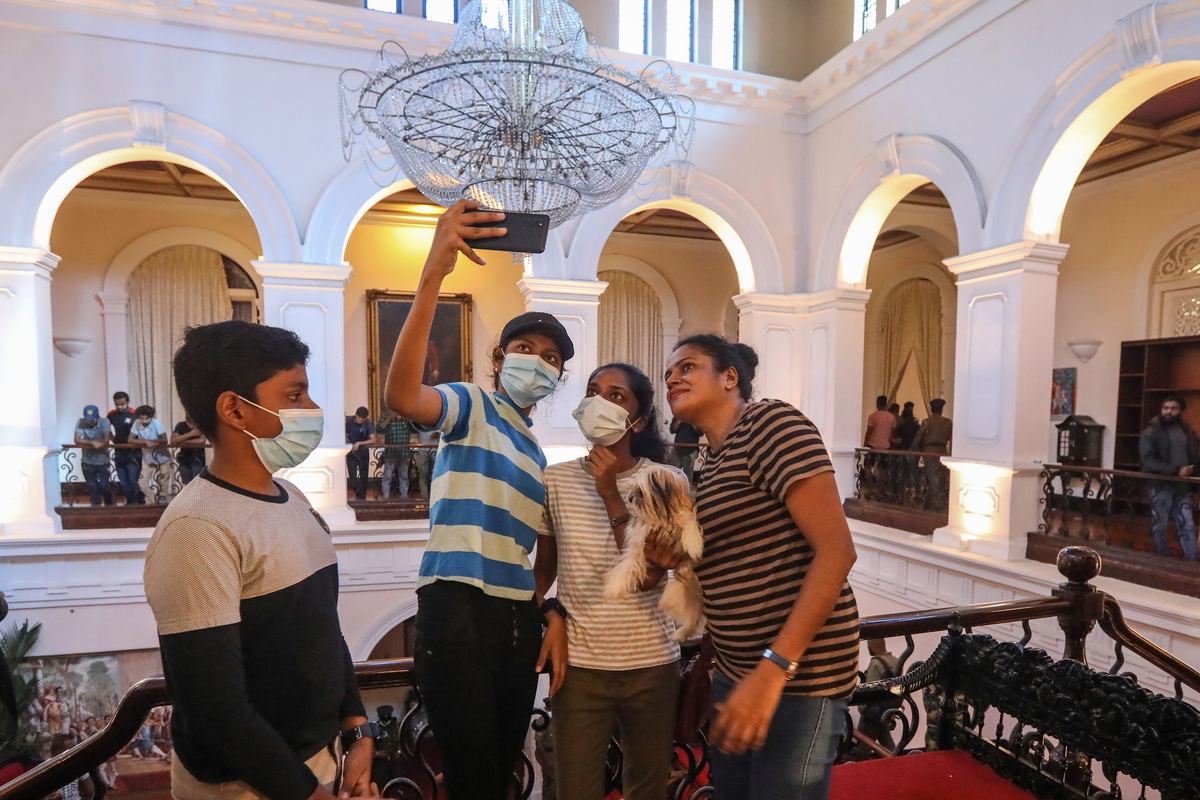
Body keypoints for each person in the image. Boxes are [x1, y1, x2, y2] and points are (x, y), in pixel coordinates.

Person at [382, 200, 570, 800]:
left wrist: (541, 604)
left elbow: (538, 550)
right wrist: (433, 274)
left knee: (499, 770)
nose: (537, 363)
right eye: (527, 349)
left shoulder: (535, 452)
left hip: (516, 617)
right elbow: (403, 397)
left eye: (551, 359)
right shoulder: (472, 403)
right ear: (499, 357)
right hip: (458, 602)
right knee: (469, 777)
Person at [143, 320, 377, 800]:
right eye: (294, 395)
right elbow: (216, 711)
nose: (312, 409)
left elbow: (323, 629)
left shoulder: (292, 497)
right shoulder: (198, 528)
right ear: (234, 409)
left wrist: (356, 730)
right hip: (245, 784)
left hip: (317, 758)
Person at [664, 334, 859, 800]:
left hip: (798, 676)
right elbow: (739, 559)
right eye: (669, 373)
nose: (673, 378)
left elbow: (837, 551)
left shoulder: (771, 424)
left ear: (730, 377)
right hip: (737, 670)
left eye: (687, 367)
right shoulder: (710, 460)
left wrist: (774, 670)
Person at [536, 363, 685, 800]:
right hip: (579, 666)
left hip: (652, 662)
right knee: (575, 789)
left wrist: (609, 493)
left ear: (637, 421)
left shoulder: (665, 480)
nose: (599, 402)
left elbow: (647, 577)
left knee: (647, 789)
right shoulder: (555, 480)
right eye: (593, 391)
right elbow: (543, 573)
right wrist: (549, 614)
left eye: (616, 396)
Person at [1139, 396, 1200, 560]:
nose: (1168, 411)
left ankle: (1192, 558)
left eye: (1173, 408)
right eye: (1165, 408)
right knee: (1160, 522)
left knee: (1187, 523)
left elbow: (1193, 457)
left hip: (1182, 486)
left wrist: (1191, 473)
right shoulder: (1151, 432)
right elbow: (1148, 461)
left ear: (1180, 411)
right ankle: (1161, 556)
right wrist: (1176, 471)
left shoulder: (1187, 431)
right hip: (1161, 485)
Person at [856, 639, 900, 753]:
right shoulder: (895, 661)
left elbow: (869, 690)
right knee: (887, 744)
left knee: (862, 749)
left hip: (871, 714)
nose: (868, 647)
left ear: (874, 647)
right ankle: (898, 760)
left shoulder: (876, 663)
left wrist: (861, 708)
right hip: (886, 710)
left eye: (868, 645)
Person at [107, 392, 144, 505]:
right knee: (123, 480)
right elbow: (106, 428)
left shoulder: (135, 414)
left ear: (128, 402)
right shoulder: (111, 415)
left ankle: (138, 501)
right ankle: (129, 502)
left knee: (133, 479)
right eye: (117, 404)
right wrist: (113, 440)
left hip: (134, 451)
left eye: (122, 404)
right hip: (119, 451)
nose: (120, 407)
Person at [74, 405, 114, 506]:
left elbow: (106, 439)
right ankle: (95, 507)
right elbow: (77, 440)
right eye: (88, 419)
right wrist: (92, 442)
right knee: (92, 486)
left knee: (105, 486)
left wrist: (86, 441)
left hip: (102, 459)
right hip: (87, 460)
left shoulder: (104, 421)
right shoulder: (80, 422)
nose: (90, 422)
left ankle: (110, 505)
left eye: (93, 419)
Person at [131, 405, 171, 504]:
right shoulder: (136, 423)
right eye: (141, 418)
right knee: (142, 483)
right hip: (147, 458)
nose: (144, 421)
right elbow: (130, 439)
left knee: (163, 483)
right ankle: (153, 501)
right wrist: (145, 442)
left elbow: (164, 440)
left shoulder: (156, 423)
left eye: (147, 418)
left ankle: (162, 503)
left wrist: (149, 441)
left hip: (163, 457)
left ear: (151, 417)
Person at [374, 410, 413, 500]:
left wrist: (406, 417)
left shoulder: (407, 419)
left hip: (404, 453)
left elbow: (416, 428)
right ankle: (385, 497)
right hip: (390, 453)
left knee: (404, 476)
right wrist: (389, 418)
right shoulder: (386, 417)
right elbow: (379, 429)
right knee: (387, 476)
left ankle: (404, 497)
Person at [345, 407, 375, 501]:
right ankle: (359, 493)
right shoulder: (348, 422)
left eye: (363, 417)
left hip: (363, 452)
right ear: (356, 415)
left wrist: (359, 443)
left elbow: (373, 439)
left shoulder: (367, 424)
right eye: (360, 417)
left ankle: (362, 497)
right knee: (352, 477)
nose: (361, 419)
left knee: (364, 476)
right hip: (351, 452)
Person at [171, 413, 207, 486]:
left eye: (194, 424)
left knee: (198, 482)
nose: (193, 426)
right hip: (184, 457)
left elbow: (201, 441)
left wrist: (181, 441)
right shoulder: (180, 425)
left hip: (198, 458)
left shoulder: (201, 425)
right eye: (190, 424)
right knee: (186, 482)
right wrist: (191, 434)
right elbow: (173, 440)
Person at [669, 416, 702, 482]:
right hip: (677, 449)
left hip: (691, 450)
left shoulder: (697, 417)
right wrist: (678, 422)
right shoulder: (678, 415)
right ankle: (674, 486)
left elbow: (701, 432)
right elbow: (672, 430)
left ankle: (687, 486)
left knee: (688, 472)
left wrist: (692, 423)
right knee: (673, 471)